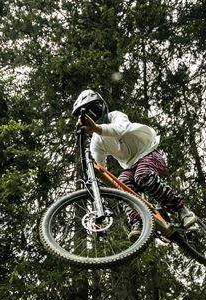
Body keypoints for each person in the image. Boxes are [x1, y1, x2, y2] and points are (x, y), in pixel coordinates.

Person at [72, 88, 197, 240]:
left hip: (149, 152)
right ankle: (138, 223)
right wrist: (96, 183)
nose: (94, 116)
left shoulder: (116, 116)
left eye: (95, 111)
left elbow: (120, 129)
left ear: (102, 107)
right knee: (121, 185)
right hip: (130, 166)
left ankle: (182, 210)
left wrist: (97, 128)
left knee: (143, 175)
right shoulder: (96, 143)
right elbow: (101, 167)